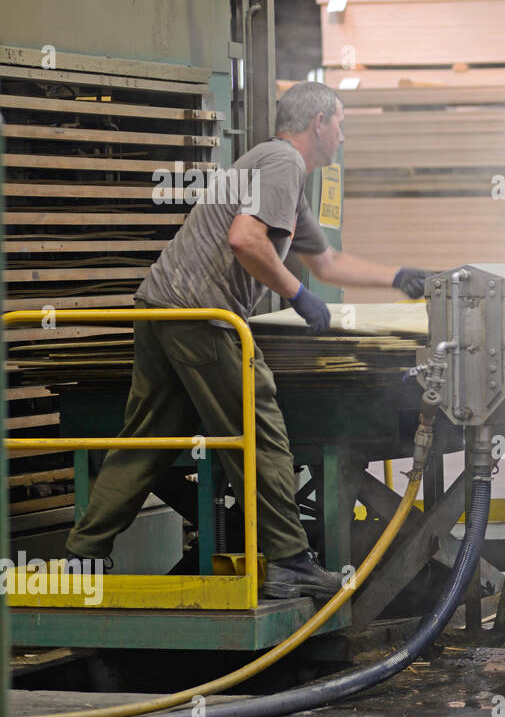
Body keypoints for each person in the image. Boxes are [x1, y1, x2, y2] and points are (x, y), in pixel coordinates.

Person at [64, 82, 433, 600]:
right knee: (259, 436)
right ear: (319, 122)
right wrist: (299, 296)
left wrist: (399, 276)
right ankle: (288, 562)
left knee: (149, 438)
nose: (343, 138)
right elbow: (245, 238)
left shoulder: (274, 168)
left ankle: (83, 552)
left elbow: (325, 261)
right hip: (203, 317)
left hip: (160, 306)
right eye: (342, 125)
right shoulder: (282, 162)